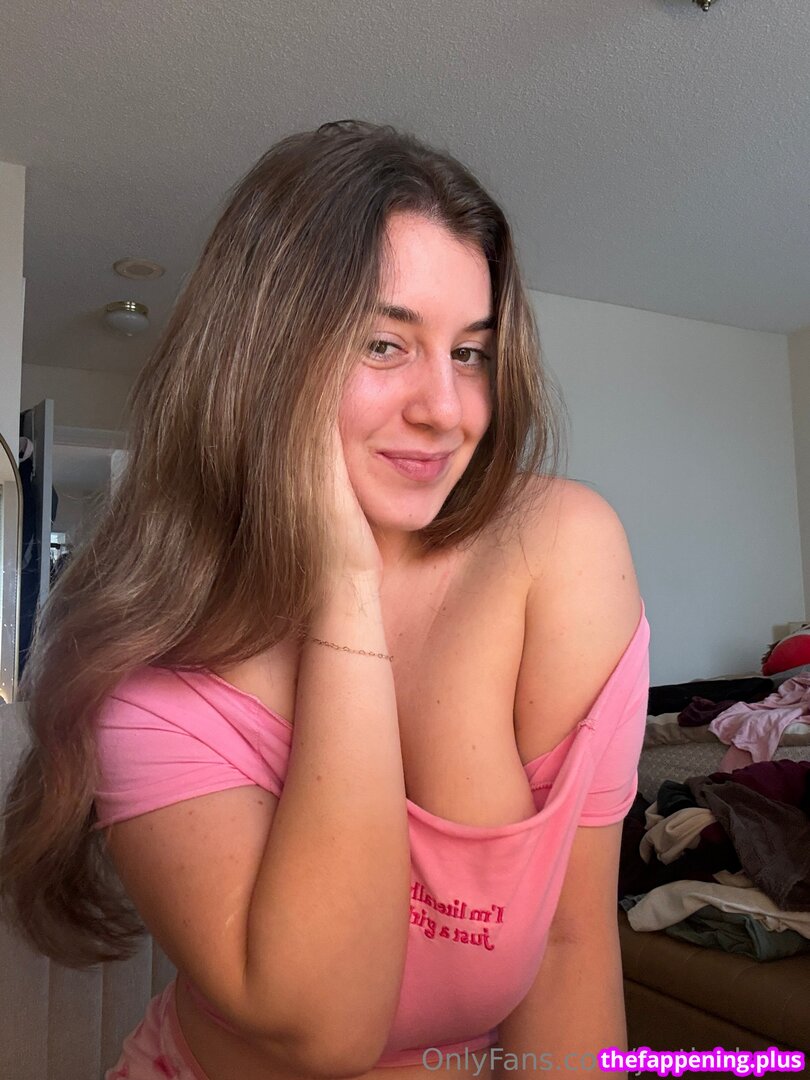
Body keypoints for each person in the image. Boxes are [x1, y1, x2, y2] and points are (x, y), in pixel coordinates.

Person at [0, 120, 648, 1080]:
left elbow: (570, 946)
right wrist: (343, 584)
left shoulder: (556, 554)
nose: (446, 409)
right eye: (385, 344)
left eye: (470, 353)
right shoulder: (146, 677)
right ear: (262, 361)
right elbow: (326, 1029)